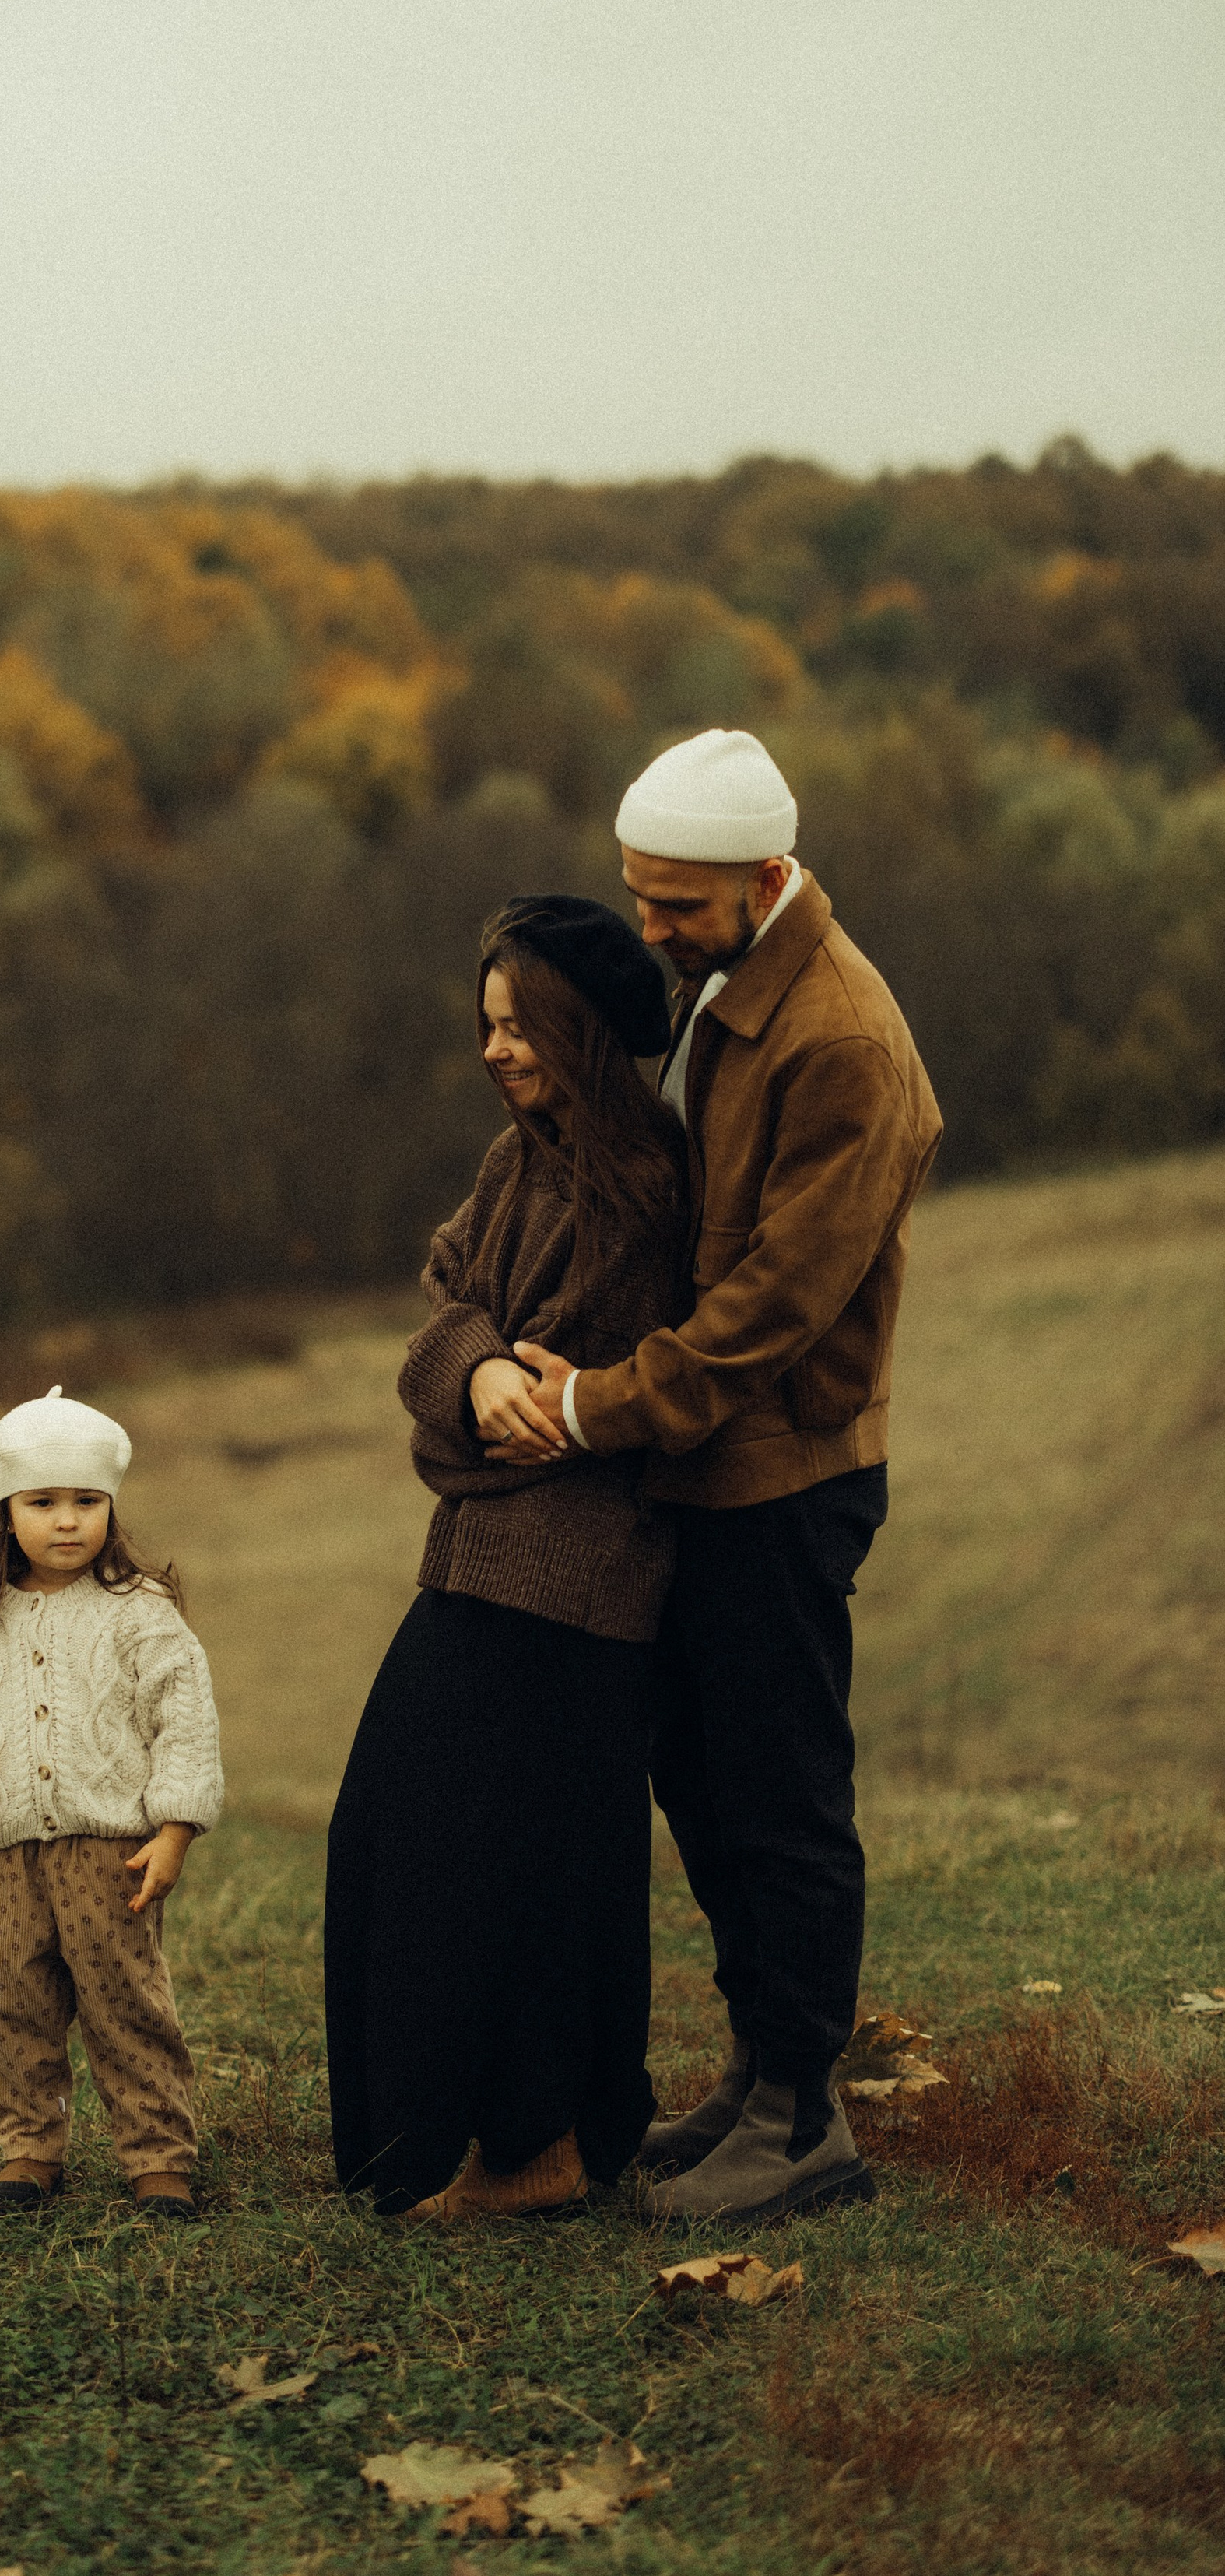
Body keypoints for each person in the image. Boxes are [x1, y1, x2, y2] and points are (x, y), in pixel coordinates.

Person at [512, 728, 943, 2227]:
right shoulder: (723, 984)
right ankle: (762, 2076)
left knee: (780, 1794)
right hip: (699, 1473)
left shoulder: (842, 1040)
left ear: (765, 880)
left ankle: (809, 2118)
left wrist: (595, 1410)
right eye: (641, 898)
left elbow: (773, 1303)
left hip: (778, 1473)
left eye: (677, 905)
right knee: (699, 1779)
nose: (653, 933)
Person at [324, 897, 689, 2219]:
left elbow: (564, 1417)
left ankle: (534, 2147)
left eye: (518, 1024)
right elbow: (447, 1302)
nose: (494, 1048)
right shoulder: (519, 1156)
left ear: (581, 1028)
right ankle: (497, 2142)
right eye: (483, 1023)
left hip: (576, 1582)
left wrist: (477, 1401)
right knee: (418, 1837)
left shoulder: (636, 1190)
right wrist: (471, 1371)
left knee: (507, 1861)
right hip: (489, 1550)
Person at [0, 1386, 224, 2220]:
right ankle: (31, 2147)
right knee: (14, 2000)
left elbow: (184, 1720)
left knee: (124, 2002)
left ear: (111, 1507)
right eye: (42, 1502)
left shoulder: (141, 1616)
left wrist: (175, 1827)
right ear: (5, 1513)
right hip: (8, 1852)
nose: (66, 1521)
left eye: (86, 1501)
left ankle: (158, 2158)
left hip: (108, 1849)